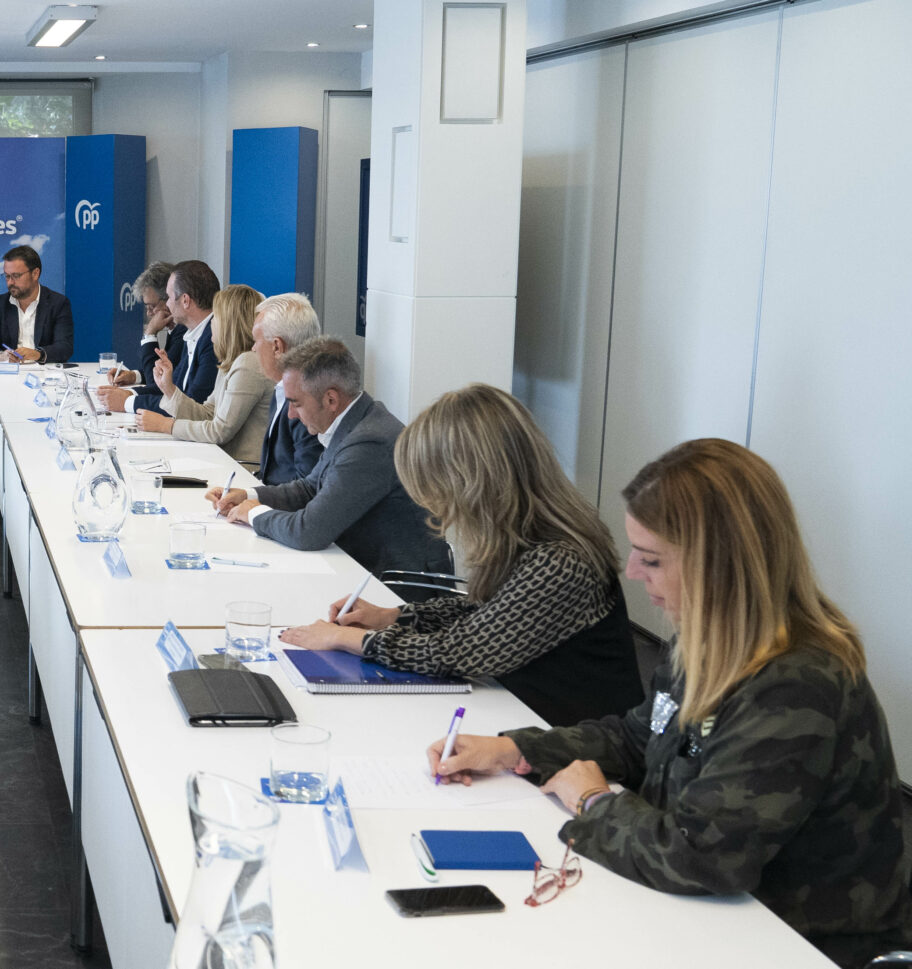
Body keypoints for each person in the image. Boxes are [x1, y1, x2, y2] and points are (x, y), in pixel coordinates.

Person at [430, 439, 912, 967]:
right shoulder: (709, 637)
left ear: (719, 564)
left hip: (796, 941)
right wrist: (516, 750)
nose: (633, 571)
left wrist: (593, 803)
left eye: (653, 559)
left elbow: (704, 857)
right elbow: (638, 738)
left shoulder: (795, 686)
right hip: (713, 916)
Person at [277, 384, 643, 725]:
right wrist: (393, 617)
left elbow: (459, 652)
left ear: (472, 481)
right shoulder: (528, 538)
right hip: (523, 717)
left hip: (566, 740)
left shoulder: (562, 561)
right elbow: (485, 612)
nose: (437, 505)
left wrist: (346, 639)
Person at [208, 337, 448, 579]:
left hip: (393, 584)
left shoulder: (369, 441)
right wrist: (248, 496)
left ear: (331, 400)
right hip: (360, 568)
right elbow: (309, 488)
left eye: (296, 403)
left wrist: (254, 513)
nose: (291, 415)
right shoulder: (357, 420)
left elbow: (309, 531)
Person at [133, 284, 271, 468]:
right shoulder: (231, 361)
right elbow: (207, 414)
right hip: (221, 462)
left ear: (228, 323)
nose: (211, 323)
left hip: (240, 470)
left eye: (216, 317)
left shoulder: (248, 363)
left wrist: (166, 425)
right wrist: (169, 389)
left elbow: (219, 431)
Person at [98, 260, 218, 416]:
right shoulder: (195, 333)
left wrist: (127, 402)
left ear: (185, 300)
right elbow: (174, 388)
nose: (168, 304)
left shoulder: (213, 339)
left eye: (169, 297)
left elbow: (191, 404)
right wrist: (129, 394)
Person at [247, 293, 325, 485]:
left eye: (256, 341)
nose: (253, 349)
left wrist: (256, 498)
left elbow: (306, 487)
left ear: (277, 347)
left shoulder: (309, 401)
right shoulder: (281, 389)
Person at [0, 244, 73, 363]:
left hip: (45, 370)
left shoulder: (58, 303)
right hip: (10, 370)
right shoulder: (0, 303)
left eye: (16, 276)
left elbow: (65, 346)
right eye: (7, 276)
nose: (10, 282)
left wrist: (38, 354)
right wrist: (1, 356)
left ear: (35, 274)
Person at [111, 261, 177, 381]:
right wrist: (134, 376)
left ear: (169, 298)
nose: (148, 313)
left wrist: (149, 333)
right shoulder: (174, 329)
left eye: (152, 306)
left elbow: (158, 382)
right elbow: (163, 373)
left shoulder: (184, 332)